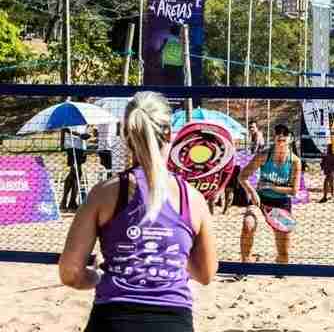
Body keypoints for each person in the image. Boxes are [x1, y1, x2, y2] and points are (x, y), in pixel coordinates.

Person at [58, 91, 218, 332]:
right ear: (170, 134)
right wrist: (166, 261)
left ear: (126, 135)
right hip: (173, 321)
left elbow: (70, 272)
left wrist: (98, 277)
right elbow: (206, 274)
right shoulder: (192, 198)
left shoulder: (103, 193)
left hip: (113, 318)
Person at [238, 123, 302, 264]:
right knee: (248, 224)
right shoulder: (264, 155)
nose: (281, 137)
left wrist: (270, 186)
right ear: (274, 137)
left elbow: (294, 190)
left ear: (290, 139)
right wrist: (252, 192)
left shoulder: (295, 161)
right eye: (278, 134)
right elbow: (242, 177)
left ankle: (279, 267)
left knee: (284, 254)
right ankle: (245, 264)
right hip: (260, 199)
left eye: (284, 135)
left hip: (281, 203)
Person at [60, 125, 91, 212]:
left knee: (76, 174)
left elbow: (87, 129)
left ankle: (69, 202)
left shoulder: (85, 115)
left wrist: (87, 135)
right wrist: (62, 143)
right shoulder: (69, 113)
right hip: (71, 145)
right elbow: (64, 128)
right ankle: (68, 202)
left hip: (81, 146)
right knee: (76, 172)